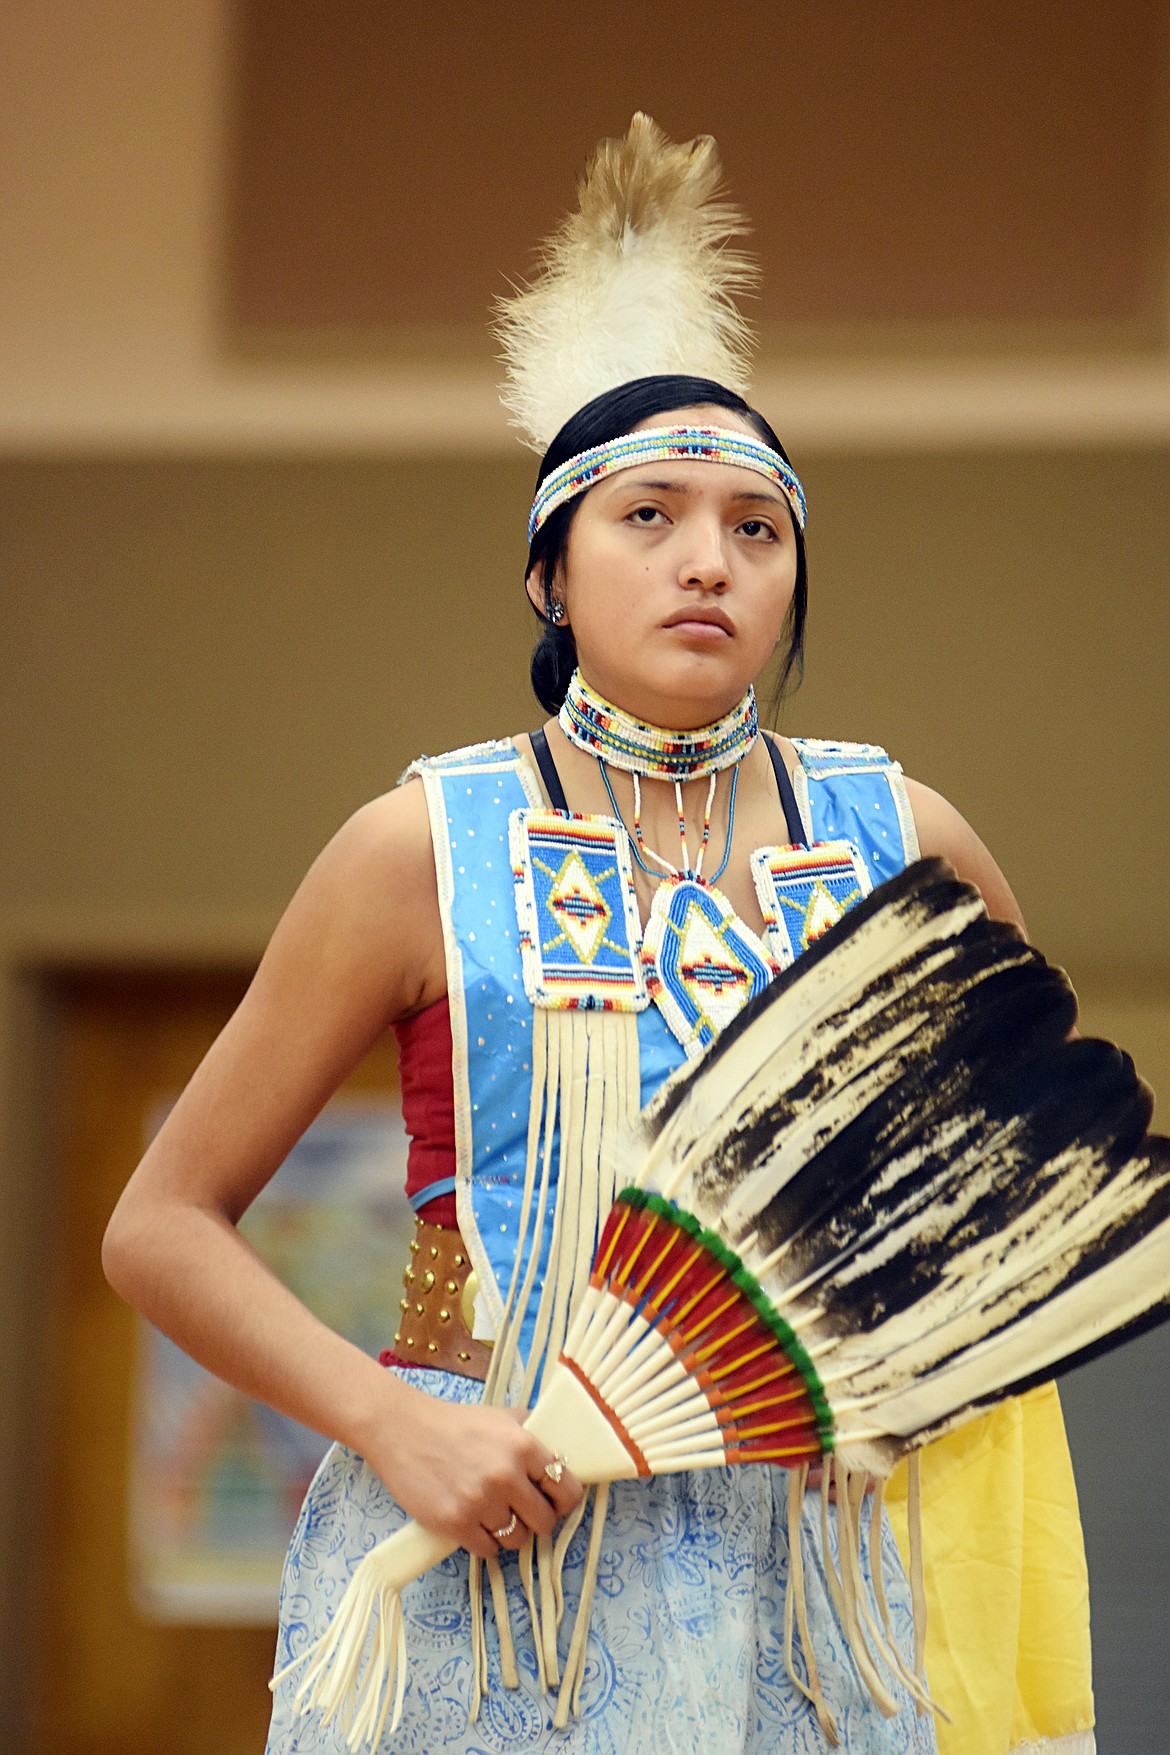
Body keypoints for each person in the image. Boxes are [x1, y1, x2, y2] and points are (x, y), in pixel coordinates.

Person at [102, 121, 1094, 1755]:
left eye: (754, 530)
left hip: (825, 1567)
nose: (708, 557)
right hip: (493, 1530)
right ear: (550, 572)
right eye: (648, 516)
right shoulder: (420, 845)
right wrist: (389, 1425)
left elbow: (1006, 1210)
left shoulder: (903, 840)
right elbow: (161, 1226)